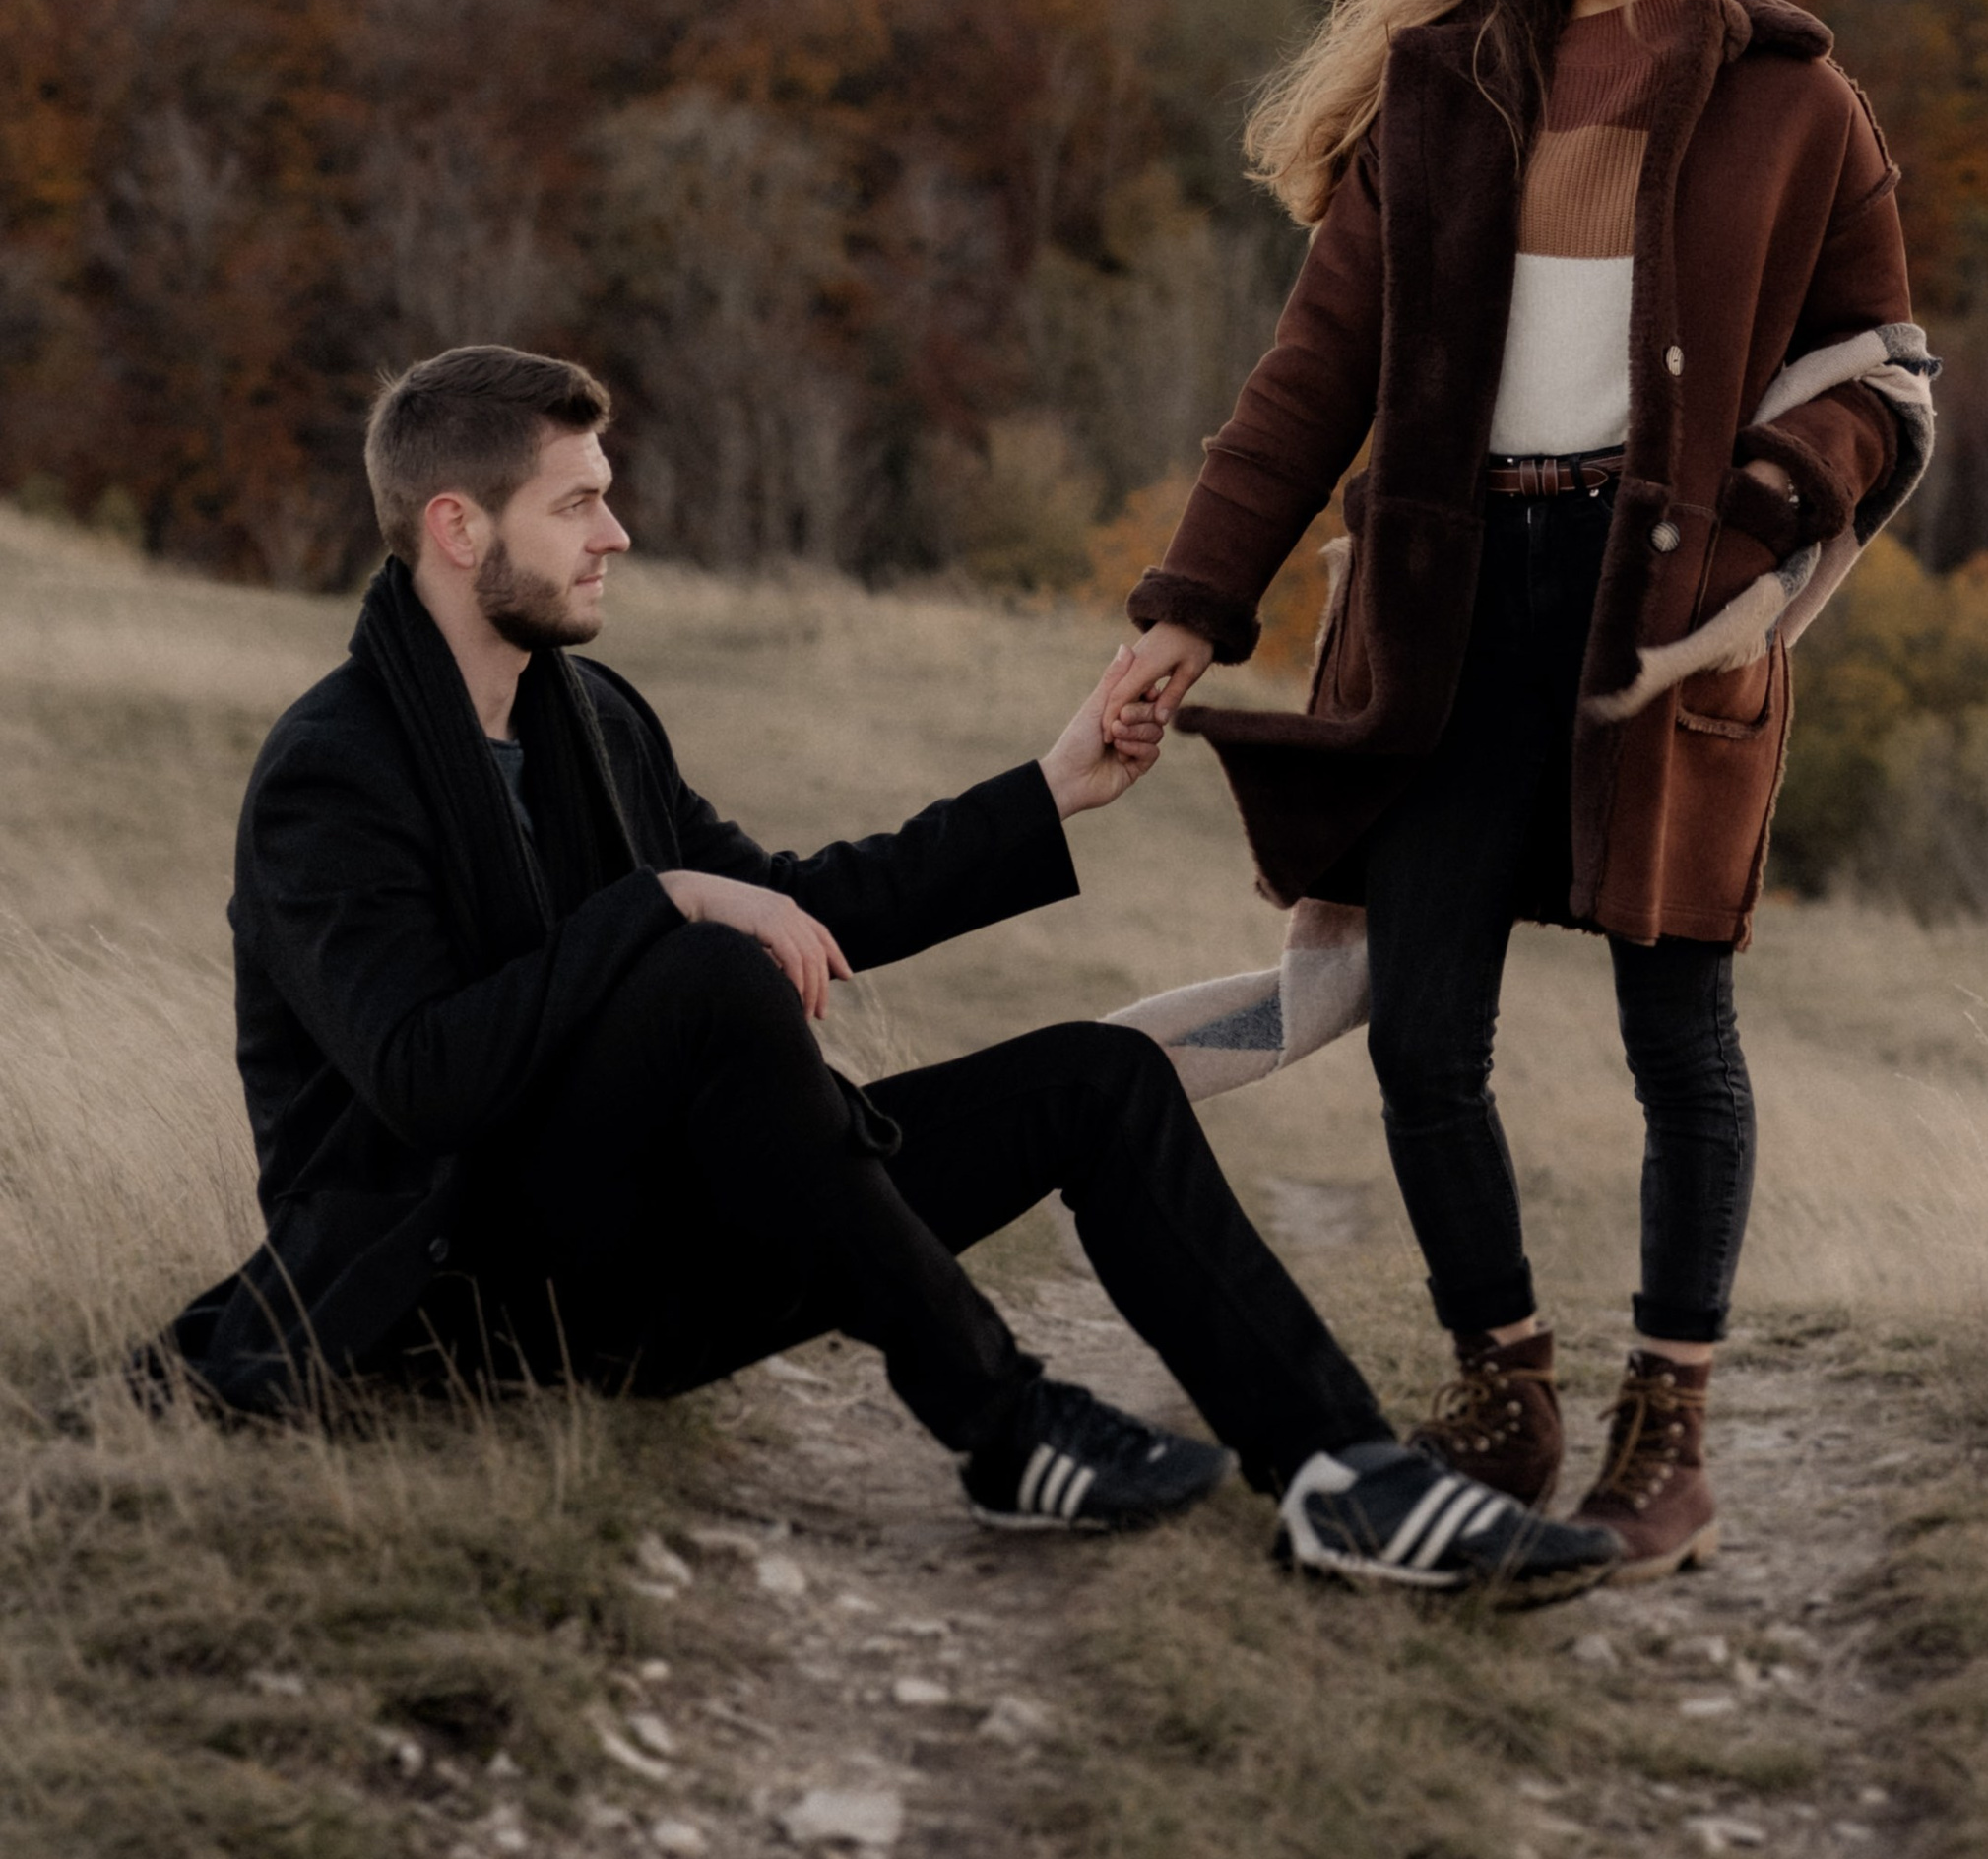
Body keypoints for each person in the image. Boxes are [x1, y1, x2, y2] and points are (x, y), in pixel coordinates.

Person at [161, 343, 1620, 1604]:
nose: (618, 533)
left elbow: (794, 905)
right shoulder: (331, 773)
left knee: (1098, 1084)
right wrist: (664, 901)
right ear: (458, 526)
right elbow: (425, 1081)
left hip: (651, 1250)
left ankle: (1341, 1474)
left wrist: (1046, 794)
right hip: (455, 1300)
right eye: (580, 502)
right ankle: (1005, 1427)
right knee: (710, 971)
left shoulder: (589, 717)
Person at [1103, 0, 1935, 1578]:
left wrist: (1740, 550)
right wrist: (1185, 605)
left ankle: (1670, 1432)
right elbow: (1311, 377)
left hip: (1659, 609)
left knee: (1674, 1026)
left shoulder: (1796, 103)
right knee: (1424, 1031)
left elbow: (1886, 373)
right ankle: (1506, 1386)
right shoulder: (1445, 89)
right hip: (1450, 596)